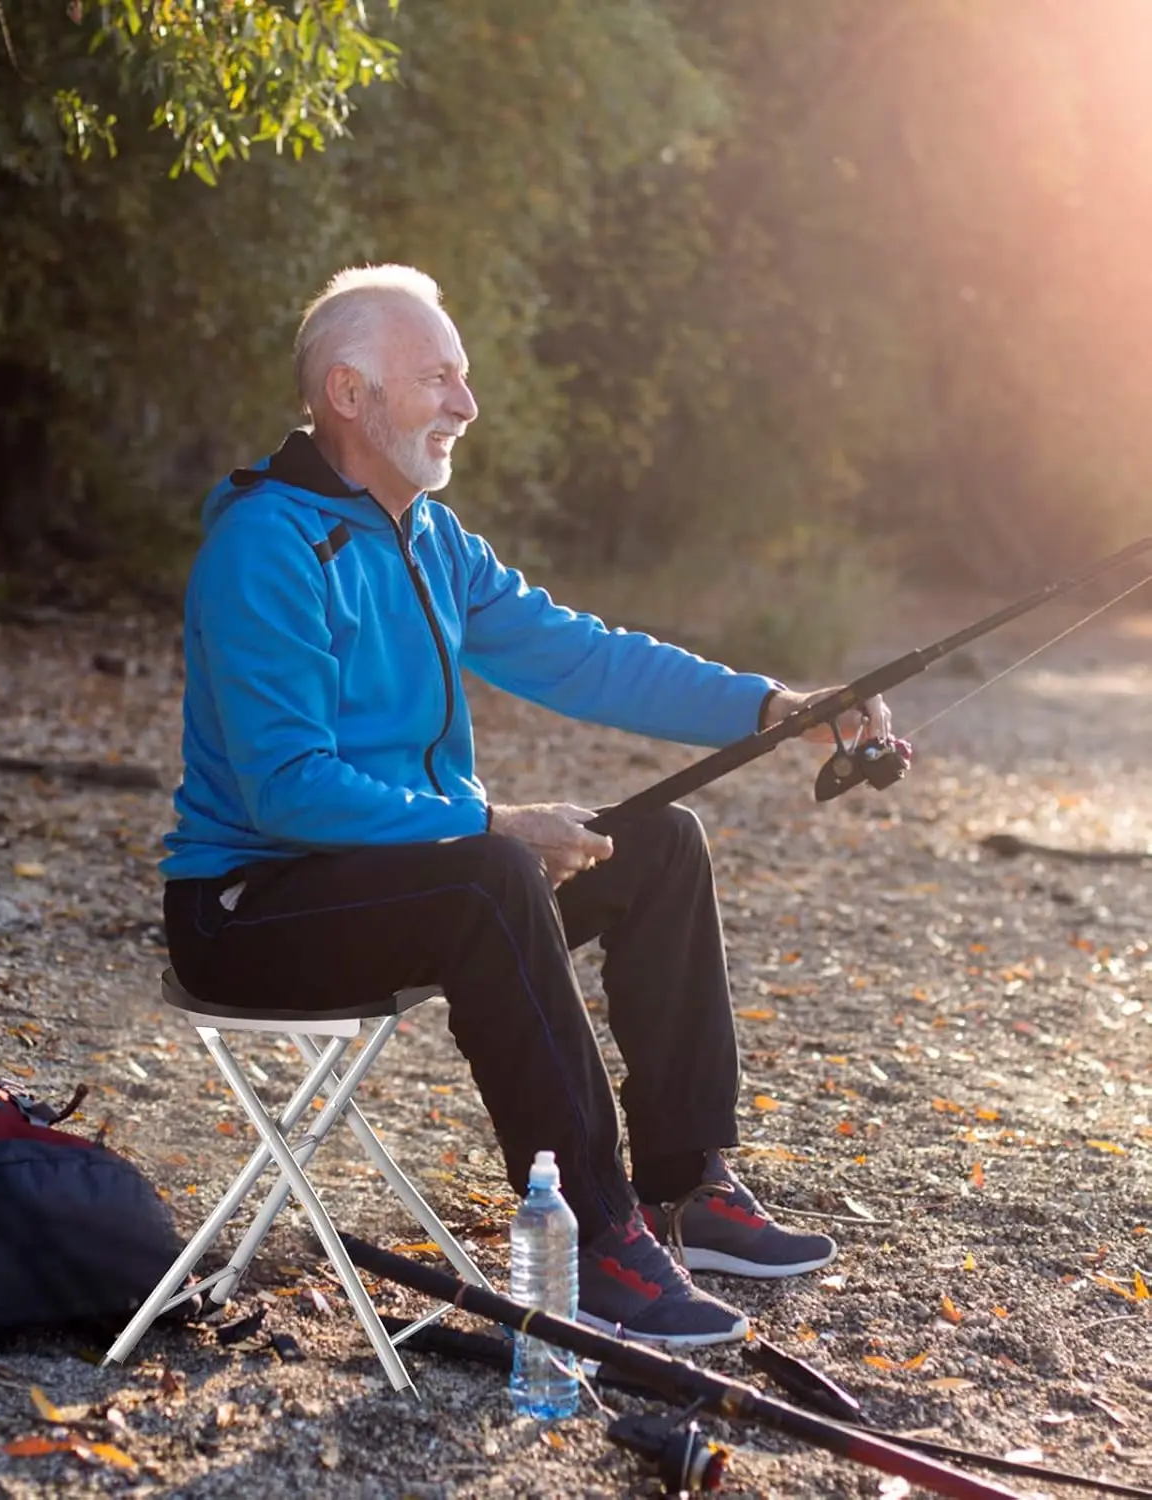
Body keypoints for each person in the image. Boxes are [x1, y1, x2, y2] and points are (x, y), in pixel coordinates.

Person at [160, 264, 891, 1347]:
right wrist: (489, 827)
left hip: (412, 883)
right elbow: (288, 789)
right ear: (350, 395)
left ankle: (687, 1189)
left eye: (464, 379)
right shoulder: (265, 545)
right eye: (441, 379)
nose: (467, 405)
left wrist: (776, 709)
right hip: (247, 913)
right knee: (492, 875)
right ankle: (597, 1246)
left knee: (659, 845)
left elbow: (584, 658)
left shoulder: (429, 539)